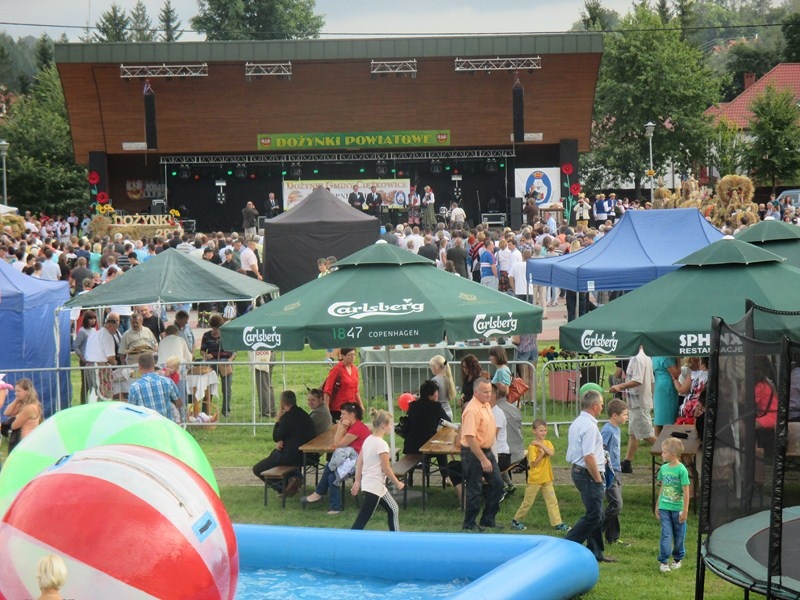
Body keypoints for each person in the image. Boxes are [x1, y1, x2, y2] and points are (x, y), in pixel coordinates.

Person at [565, 389, 615, 563]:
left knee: (597, 513)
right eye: (601, 404)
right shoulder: (590, 427)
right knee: (594, 515)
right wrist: (598, 479)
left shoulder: (578, 422)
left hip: (581, 472)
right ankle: (568, 544)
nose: (602, 407)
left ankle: (596, 551)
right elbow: (588, 456)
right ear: (594, 406)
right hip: (588, 474)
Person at [302, 402, 371, 515]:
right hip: (352, 460)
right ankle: (333, 506)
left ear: (352, 414)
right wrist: (342, 427)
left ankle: (321, 495)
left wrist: (341, 426)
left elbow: (338, 444)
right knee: (331, 473)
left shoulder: (357, 428)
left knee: (332, 473)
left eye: (343, 414)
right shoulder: (354, 426)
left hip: (359, 464)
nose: (341, 416)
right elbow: (337, 443)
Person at [252, 390, 316, 496]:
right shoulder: (303, 414)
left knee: (258, 469)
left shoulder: (287, 418)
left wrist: (278, 419)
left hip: (291, 455)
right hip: (307, 455)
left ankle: (284, 487)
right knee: (275, 461)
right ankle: (293, 478)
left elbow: (276, 437)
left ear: (282, 403)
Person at [351, 409, 405, 531]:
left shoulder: (368, 439)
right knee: (361, 521)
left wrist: (358, 481)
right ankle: (349, 539)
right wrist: (397, 483)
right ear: (383, 426)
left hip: (375, 486)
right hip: (374, 487)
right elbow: (386, 468)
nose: (391, 427)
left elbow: (360, 461)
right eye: (390, 424)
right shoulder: (382, 444)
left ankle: (396, 537)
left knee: (393, 509)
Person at [511, 419, 570, 532]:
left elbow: (551, 453)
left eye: (545, 430)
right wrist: (542, 454)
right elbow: (533, 463)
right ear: (534, 431)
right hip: (535, 479)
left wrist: (540, 445)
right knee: (528, 501)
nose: (543, 433)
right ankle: (516, 520)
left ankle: (557, 523)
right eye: (541, 430)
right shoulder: (532, 447)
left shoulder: (547, 443)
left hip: (547, 478)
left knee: (552, 501)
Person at [460, 378, 504, 532]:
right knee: (475, 489)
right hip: (473, 453)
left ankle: (488, 519)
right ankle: (469, 523)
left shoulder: (485, 405)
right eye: (485, 392)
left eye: (490, 391)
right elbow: (470, 438)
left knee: (498, 484)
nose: (489, 395)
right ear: (475, 392)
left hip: (486, 450)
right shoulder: (472, 410)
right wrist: (483, 459)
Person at [610, 345, 655, 474]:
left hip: (639, 403)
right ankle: (627, 462)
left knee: (646, 435)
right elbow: (651, 381)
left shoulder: (638, 358)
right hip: (637, 402)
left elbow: (638, 380)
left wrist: (620, 386)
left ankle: (672, 453)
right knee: (633, 433)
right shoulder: (646, 356)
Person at [403, 380, 451, 485]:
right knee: (441, 452)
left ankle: (411, 477)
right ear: (430, 395)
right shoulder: (435, 406)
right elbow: (448, 421)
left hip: (411, 446)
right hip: (427, 446)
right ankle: (446, 477)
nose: (437, 395)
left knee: (434, 449)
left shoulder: (413, 405)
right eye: (436, 392)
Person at [655, 437, 690, 573]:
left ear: (673, 455)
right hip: (664, 508)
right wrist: (658, 504)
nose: (662, 454)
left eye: (664, 452)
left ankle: (677, 559)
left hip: (678, 509)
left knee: (679, 535)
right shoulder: (663, 469)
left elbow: (686, 492)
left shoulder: (682, 470)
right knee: (666, 534)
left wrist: (685, 510)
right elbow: (663, 486)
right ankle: (663, 561)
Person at [602, 398, 629, 545]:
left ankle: (613, 537)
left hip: (617, 470)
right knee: (617, 504)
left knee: (616, 504)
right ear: (614, 415)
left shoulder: (616, 429)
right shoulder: (607, 430)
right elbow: (601, 448)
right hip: (609, 472)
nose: (626, 417)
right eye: (624, 414)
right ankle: (596, 530)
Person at [200, 314, 236, 417]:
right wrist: (206, 355)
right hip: (211, 363)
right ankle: (205, 412)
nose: (215, 331)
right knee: (209, 388)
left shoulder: (227, 335)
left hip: (225, 363)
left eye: (217, 329)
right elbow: (202, 350)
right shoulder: (206, 335)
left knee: (226, 389)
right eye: (213, 328)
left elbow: (234, 351)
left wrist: (230, 360)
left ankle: (226, 411)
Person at [128, 353, 182, 419]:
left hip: (146, 423)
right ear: (154, 365)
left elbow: (132, 410)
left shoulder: (134, 387)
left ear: (139, 367)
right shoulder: (168, 381)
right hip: (165, 422)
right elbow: (179, 403)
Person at [84, 312, 121, 400]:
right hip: (100, 368)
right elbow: (110, 358)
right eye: (115, 328)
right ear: (110, 325)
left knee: (93, 393)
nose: (115, 331)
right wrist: (116, 363)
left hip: (89, 366)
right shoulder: (107, 335)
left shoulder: (93, 334)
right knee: (101, 395)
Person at [322, 347, 362, 422]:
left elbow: (356, 390)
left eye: (354, 355)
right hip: (338, 409)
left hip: (351, 408)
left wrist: (360, 405)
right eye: (349, 355)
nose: (352, 357)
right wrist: (326, 410)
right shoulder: (337, 369)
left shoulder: (354, 369)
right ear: (343, 356)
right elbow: (327, 390)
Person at [3, 378, 43, 453]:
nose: (15, 393)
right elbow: (6, 413)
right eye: (15, 391)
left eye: (18, 391)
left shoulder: (29, 408)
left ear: (27, 392)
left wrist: (15, 417)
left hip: (25, 442)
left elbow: (14, 426)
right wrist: (16, 400)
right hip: (24, 441)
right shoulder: (23, 404)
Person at [73, 310, 98, 404]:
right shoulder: (82, 331)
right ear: (86, 320)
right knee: (85, 384)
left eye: (94, 318)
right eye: (90, 318)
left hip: (93, 360)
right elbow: (76, 346)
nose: (93, 320)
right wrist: (82, 358)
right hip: (85, 361)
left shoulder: (94, 330)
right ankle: (83, 402)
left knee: (93, 383)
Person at [652, 356, 680, 436]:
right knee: (669, 417)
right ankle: (668, 439)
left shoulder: (655, 355)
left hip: (658, 384)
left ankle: (657, 439)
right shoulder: (667, 357)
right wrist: (678, 360)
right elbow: (676, 373)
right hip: (667, 386)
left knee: (659, 417)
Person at [429, 354, 455, 420]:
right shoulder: (448, 378)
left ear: (436, 367)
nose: (431, 369)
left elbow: (432, 396)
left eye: (432, 366)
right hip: (448, 410)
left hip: (439, 412)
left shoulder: (435, 380)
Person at [252, 348, 275, 417]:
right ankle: (271, 410)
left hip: (262, 356)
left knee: (263, 385)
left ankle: (265, 413)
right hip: (269, 354)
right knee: (267, 384)